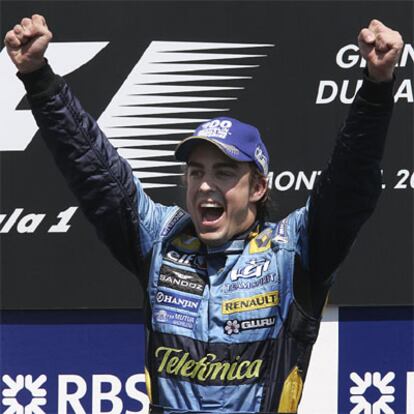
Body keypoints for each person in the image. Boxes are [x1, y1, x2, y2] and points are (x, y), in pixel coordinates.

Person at [4, 15, 403, 414]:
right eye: (196, 172)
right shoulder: (160, 238)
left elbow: (348, 186)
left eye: (224, 172)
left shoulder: (293, 251)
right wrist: (39, 79)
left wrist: (376, 87)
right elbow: (93, 168)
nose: (206, 186)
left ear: (258, 188)